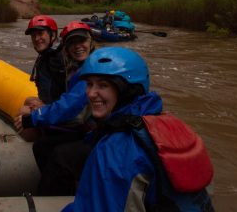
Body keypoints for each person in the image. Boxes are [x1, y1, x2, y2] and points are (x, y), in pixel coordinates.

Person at [63, 47, 214, 212]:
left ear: (126, 90)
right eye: (89, 84)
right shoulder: (169, 123)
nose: (91, 93)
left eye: (103, 85)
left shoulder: (114, 149)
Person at [14, 20, 97, 196]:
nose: (77, 46)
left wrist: (36, 115)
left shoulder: (92, 70)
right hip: (88, 128)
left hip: (96, 133)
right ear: (66, 47)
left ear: (91, 42)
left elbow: (71, 106)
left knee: (59, 154)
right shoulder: (78, 66)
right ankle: (59, 190)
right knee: (41, 147)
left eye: (81, 41)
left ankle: (51, 195)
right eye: (72, 43)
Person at [19, 15, 65, 115]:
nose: (36, 38)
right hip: (52, 104)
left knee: (24, 112)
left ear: (52, 34)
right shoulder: (47, 54)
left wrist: (46, 108)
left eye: (40, 33)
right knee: (29, 101)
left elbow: (68, 95)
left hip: (62, 110)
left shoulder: (59, 59)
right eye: (33, 35)